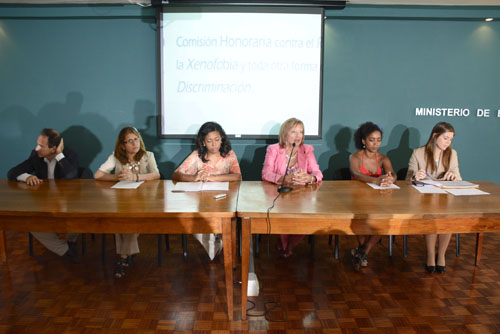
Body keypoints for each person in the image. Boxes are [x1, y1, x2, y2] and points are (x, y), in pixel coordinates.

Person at [94, 126, 160, 278]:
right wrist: (118, 177)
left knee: (131, 218)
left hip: (145, 200)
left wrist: (136, 178)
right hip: (122, 200)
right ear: (122, 145)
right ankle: (127, 255)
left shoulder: (147, 155)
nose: (134, 143)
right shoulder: (116, 157)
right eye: (129, 141)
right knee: (120, 219)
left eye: (136, 139)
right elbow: (98, 175)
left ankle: (123, 257)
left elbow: (156, 175)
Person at [7, 128, 80, 263]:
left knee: (76, 218)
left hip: (68, 204)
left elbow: (72, 176)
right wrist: (27, 177)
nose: (36, 149)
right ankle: (65, 250)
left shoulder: (69, 155)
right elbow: (12, 172)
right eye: (37, 144)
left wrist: (59, 155)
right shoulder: (36, 156)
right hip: (45, 204)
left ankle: (71, 241)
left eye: (41, 146)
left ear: (53, 148)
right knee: (31, 223)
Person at [172, 121, 241, 260]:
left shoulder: (229, 154)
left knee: (227, 220)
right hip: (202, 202)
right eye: (209, 141)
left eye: (217, 140)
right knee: (195, 220)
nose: (214, 144)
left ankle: (222, 243)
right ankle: (214, 245)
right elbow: (176, 175)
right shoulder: (197, 155)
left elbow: (238, 176)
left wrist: (213, 177)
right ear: (203, 142)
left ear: (222, 138)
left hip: (224, 200)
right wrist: (194, 177)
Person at [262, 117, 323, 258]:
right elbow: (266, 173)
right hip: (280, 195)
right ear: (285, 134)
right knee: (283, 213)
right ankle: (284, 245)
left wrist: (310, 178)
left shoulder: (307, 150)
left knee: (306, 217)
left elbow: (317, 172)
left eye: (301, 132)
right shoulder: (274, 149)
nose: (298, 136)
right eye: (294, 132)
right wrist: (284, 178)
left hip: (302, 195)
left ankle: (290, 244)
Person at [406, 122, 460, 274]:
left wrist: (453, 176)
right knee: (432, 215)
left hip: (445, 199)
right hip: (424, 199)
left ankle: (441, 254)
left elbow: (459, 178)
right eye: (445, 138)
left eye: (450, 139)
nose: (448, 142)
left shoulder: (452, 154)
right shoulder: (418, 153)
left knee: (448, 217)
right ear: (435, 136)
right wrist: (415, 176)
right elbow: (407, 179)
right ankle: (430, 254)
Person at [349, 122, 397, 271]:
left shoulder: (383, 158)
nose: (375, 143)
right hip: (358, 198)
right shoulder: (355, 157)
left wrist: (391, 179)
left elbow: (393, 174)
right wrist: (376, 180)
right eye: (371, 140)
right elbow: (356, 174)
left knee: (382, 220)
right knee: (361, 221)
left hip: (379, 199)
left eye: (378, 140)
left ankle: (362, 252)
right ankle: (362, 252)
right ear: (363, 141)